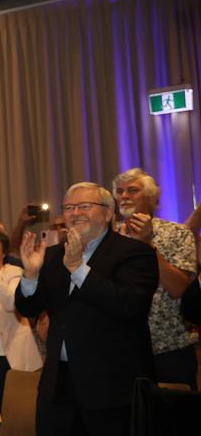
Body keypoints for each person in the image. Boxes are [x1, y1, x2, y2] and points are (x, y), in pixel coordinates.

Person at [15, 182, 158, 436]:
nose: (75, 213)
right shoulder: (53, 254)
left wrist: (78, 269)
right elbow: (29, 307)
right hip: (58, 387)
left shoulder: (134, 252)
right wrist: (30, 274)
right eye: (69, 207)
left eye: (84, 206)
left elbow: (130, 306)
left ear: (107, 212)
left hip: (111, 390)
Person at [113, 167, 198, 388]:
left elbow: (180, 289)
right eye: (120, 191)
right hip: (121, 352)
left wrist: (147, 245)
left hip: (169, 350)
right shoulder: (109, 239)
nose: (124, 196)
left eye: (132, 190)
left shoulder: (178, 233)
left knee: (175, 422)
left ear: (152, 198)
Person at [0, 229, 42, 436]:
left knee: (9, 417)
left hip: (9, 357)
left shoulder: (13, 272)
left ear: (4, 252)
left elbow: (13, 303)